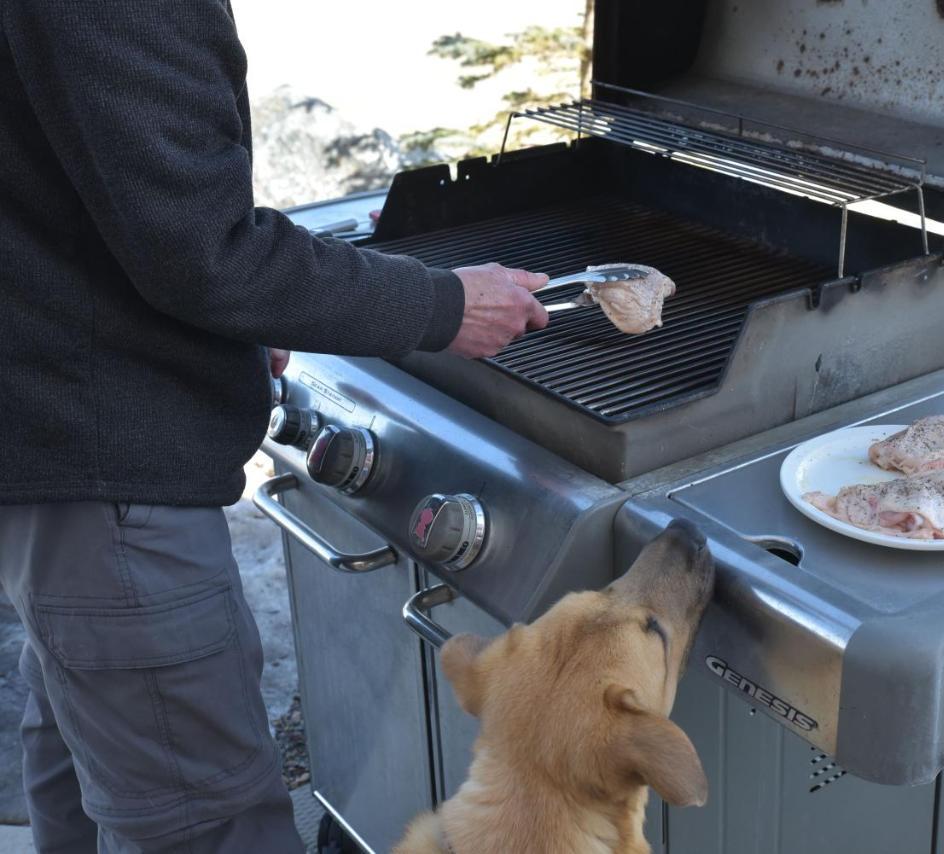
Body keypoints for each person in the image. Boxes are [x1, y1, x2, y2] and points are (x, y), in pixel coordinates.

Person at [0, 2, 548, 850]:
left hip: (60, 440)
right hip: (106, 466)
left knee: (82, 755)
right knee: (205, 823)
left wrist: (209, 327)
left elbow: (79, 184)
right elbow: (202, 249)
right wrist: (442, 304)